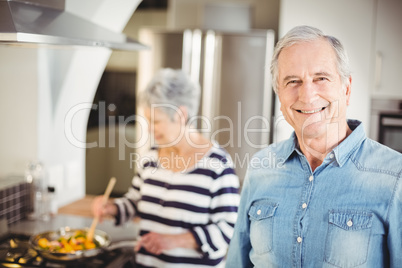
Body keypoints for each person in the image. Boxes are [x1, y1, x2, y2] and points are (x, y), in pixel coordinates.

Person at [226, 25, 402, 267]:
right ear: (279, 96)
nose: (307, 95)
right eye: (292, 81)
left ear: (346, 89)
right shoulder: (260, 167)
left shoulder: (395, 177)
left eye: (321, 78)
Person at [92, 68, 240, 267]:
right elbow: (135, 202)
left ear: (180, 115)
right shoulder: (150, 158)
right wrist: (111, 208)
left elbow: (230, 228)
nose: (150, 128)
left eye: (156, 121)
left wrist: (174, 240)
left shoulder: (217, 164)